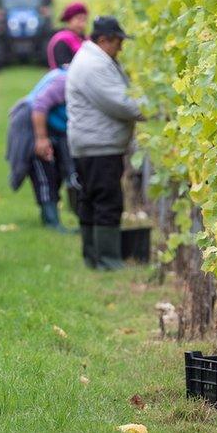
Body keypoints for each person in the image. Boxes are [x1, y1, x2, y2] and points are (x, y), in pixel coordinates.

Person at [65, 16, 144, 270]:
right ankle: (109, 261)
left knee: (91, 199)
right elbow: (122, 103)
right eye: (118, 41)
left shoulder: (95, 60)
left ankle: (93, 257)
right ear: (103, 40)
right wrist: (154, 110)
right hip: (99, 145)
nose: (120, 47)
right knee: (106, 201)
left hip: (92, 143)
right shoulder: (93, 66)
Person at [6, 66, 77, 231]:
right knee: (43, 171)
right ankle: (52, 222)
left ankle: (52, 218)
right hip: (31, 125)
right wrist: (41, 139)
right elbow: (39, 105)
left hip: (49, 127)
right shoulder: (66, 81)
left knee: (57, 171)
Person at [45, 2, 88, 69]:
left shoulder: (85, 39)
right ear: (69, 20)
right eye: (78, 19)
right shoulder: (62, 41)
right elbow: (64, 68)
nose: (82, 24)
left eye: (84, 19)